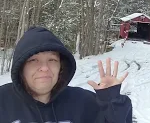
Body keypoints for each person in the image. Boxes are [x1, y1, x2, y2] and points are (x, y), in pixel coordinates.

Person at [0, 26, 132, 123]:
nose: (45, 68)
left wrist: (111, 103)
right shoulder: (3, 102)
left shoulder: (84, 102)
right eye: (33, 60)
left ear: (60, 67)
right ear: (21, 67)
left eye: (52, 60)